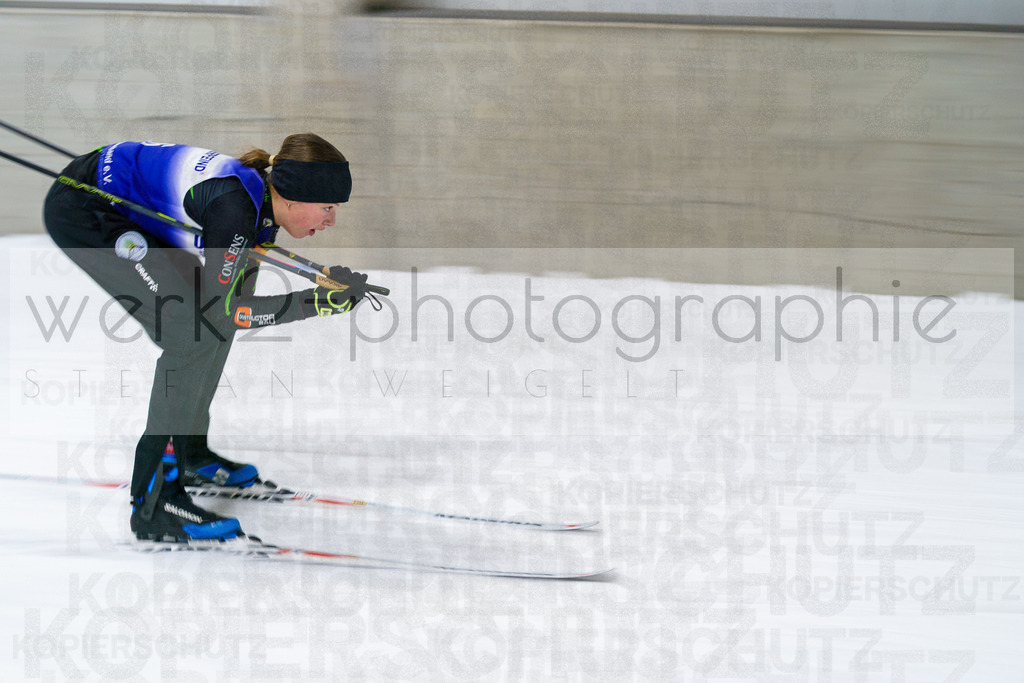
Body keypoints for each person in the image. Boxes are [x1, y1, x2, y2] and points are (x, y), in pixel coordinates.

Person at [43, 134, 369, 543]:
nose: (331, 220)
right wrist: (315, 303)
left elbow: (233, 308)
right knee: (191, 335)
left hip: (120, 200)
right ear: (294, 196)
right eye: (327, 208)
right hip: (86, 209)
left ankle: (189, 455)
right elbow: (229, 313)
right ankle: (155, 504)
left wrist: (321, 296)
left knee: (206, 328)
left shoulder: (261, 210)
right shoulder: (234, 210)